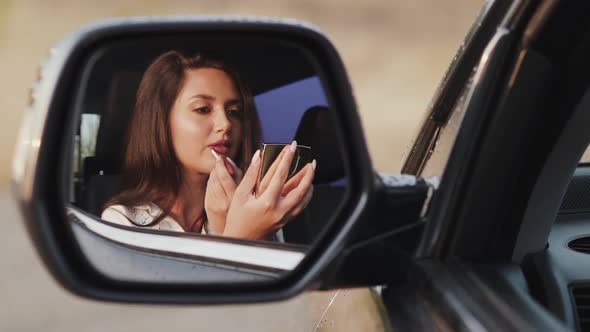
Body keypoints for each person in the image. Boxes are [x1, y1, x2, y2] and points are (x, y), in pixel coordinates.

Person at [101, 51, 315, 241]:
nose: (225, 124)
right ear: (161, 122)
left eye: (234, 112)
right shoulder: (121, 222)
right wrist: (243, 236)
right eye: (203, 109)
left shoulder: (260, 211)